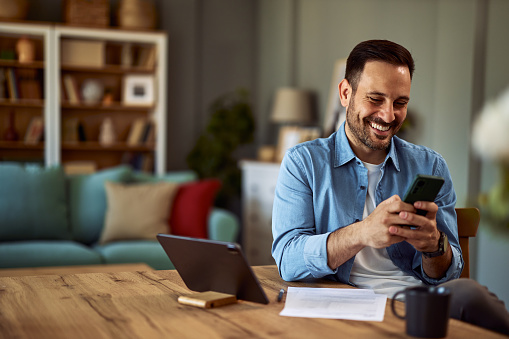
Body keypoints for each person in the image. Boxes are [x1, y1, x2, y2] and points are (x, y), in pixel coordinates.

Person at [271, 39, 509, 335]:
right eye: (375, 99)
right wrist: (363, 232)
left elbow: (447, 275)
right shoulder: (303, 162)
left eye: (400, 103)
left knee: (470, 295)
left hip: (414, 307)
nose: (388, 115)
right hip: (340, 307)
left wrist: (433, 246)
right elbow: (288, 259)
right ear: (346, 93)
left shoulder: (430, 166)